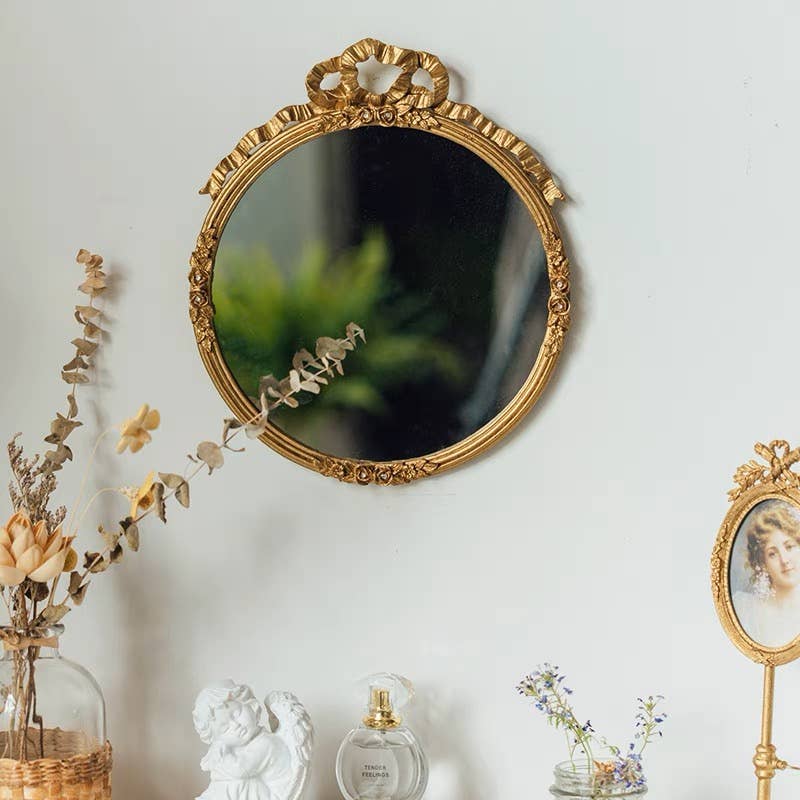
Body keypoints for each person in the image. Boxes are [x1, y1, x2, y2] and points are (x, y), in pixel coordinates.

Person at [732, 500, 800, 648]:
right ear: (762, 563)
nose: (785, 560)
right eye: (772, 554)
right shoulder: (745, 608)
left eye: (789, 547)